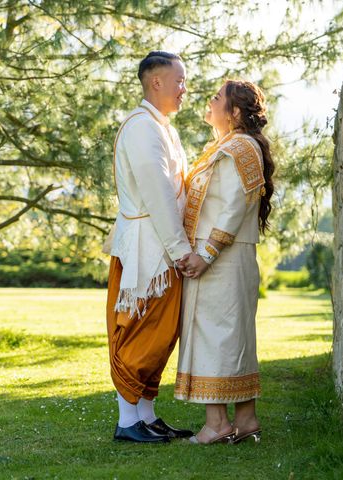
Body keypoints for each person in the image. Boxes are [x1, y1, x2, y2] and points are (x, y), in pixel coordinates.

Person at [105, 51, 203, 443]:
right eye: (179, 80)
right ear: (156, 82)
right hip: (148, 252)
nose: (184, 88)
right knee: (140, 332)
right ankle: (127, 422)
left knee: (160, 335)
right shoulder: (141, 127)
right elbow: (159, 195)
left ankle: (145, 415)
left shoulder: (162, 127)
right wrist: (181, 252)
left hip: (162, 248)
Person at [174, 80, 275, 445]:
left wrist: (205, 254)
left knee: (216, 337)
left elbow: (234, 206)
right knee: (231, 336)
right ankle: (245, 420)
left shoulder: (240, 146)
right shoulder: (226, 146)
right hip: (225, 255)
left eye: (217, 97)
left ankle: (217, 424)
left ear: (234, 112)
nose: (210, 100)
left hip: (222, 256)